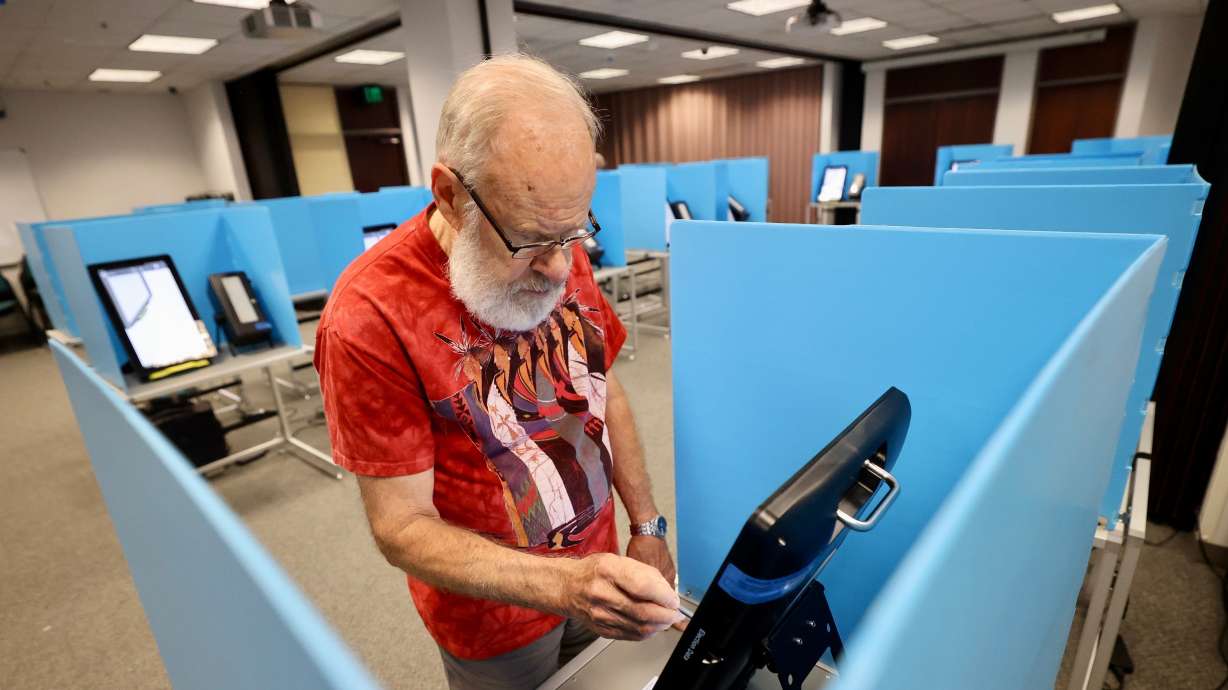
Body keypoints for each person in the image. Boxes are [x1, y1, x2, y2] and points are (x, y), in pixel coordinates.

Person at [314, 54, 682, 690]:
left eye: (575, 233)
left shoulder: (556, 241)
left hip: (601, 573)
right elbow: (401, 527)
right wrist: (565, 584)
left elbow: (603, 387)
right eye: (531, 241)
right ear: (452, 197)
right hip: (493, 621)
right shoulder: (370, 314)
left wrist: (645, 525)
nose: (562, 267)